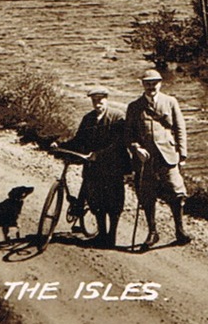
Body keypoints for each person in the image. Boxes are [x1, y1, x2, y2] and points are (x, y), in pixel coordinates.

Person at [126, 69, 189, 248]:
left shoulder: (170, 102)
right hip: (145, 160)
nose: (151, 86)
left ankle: (180, 230)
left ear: (160, 83)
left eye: (154, 83)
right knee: (147, 195)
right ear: (142, 85)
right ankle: (152, 232)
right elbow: (128, 134)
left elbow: (180, 128)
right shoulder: (134, 106)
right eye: (147, 83)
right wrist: (136, 148)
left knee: (177, 192)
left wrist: (182, 154)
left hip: (168, 156)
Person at [58, 87, 128, 248]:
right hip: (93, 167)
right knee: (96, 202)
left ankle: (112, 236)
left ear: (107, 99)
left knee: (114, 203)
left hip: (113, 167)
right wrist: (61, 145)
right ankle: (101, 234)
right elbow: (79, 140)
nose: (98, 103)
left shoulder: (118, 117)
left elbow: (119, 143)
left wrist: (99, 154)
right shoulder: (88, 119)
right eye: (94, 100)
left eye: (101, 100)